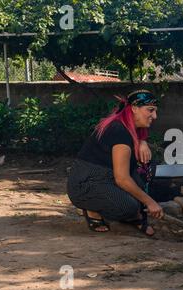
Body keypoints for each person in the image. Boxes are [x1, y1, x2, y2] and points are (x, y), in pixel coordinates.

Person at [67, 90, 163, 236]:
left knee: (146, 168)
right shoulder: (119, 131)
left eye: (155, 111)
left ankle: (132, 212)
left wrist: (143, 141)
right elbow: (122, 179)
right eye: (150, 110)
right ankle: (92, 208)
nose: (155, 116)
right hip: (86, 183)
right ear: (134, 108)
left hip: (107, 176)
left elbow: (140, 135)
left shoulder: (128, 124)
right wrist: (150, 202)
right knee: (128, 206)